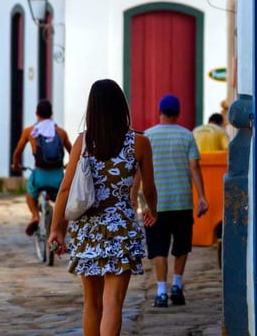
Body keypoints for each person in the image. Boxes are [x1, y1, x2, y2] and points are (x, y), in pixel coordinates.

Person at [49, 79, 157, 336]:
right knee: (113, 303)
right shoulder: (139, 143)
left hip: (89, 229)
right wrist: (152, 209)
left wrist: (57, 230)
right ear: (122, 107)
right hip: (121, 228)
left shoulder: (83, 142)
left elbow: (65, 189)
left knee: (92, 303)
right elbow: (149, 188)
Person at [135, 94, 209, 308]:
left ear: (159, 112)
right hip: (182, 202)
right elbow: (194, 167)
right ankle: (176, 285)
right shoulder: (187, 136)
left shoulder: (147, 136)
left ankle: (160, 292)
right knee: (182, 245)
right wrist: (202, 196)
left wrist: (132, 197)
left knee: (158, 248)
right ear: (178, 113)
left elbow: (138, 171)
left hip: (154, 204)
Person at [11, 99, 74, 235]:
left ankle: (34, 216)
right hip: (58, 178)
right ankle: (60, 235)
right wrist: (68, 164)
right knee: (63, 205)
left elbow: (17, 152)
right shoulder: (61, 132)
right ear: (51, 113)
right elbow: (74, 153)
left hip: (39, 176)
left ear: (36, 113)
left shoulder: (30, 132)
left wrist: (16, 165)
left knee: (30, 191)